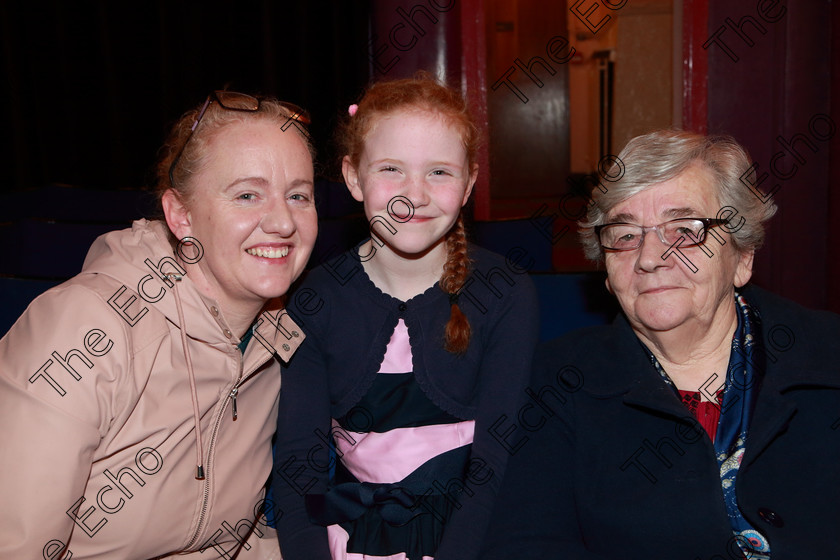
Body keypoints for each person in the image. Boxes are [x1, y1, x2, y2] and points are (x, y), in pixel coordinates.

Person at [482, 130, 840, 559]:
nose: (650, 257)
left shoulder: (827, 355)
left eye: (685, 229)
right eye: (626, 234)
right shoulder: (552, 384)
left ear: (742, 257)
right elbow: (527, 545)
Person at [0, 90, 318, 558]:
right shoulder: (83, 332)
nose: (283, 222)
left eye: (298, 195)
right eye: (248, 195)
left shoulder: (274, 337)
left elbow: (226, 539)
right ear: (181, 215)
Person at [270, 73, 540, 560]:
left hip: (477, 536)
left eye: (439, 172)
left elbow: (496, 462)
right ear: (353, 177)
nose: (413, 195)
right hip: (352, 539)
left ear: (469, 183)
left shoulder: (504, 292)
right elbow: (298, 466)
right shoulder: (315, 299)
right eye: (391, 169)